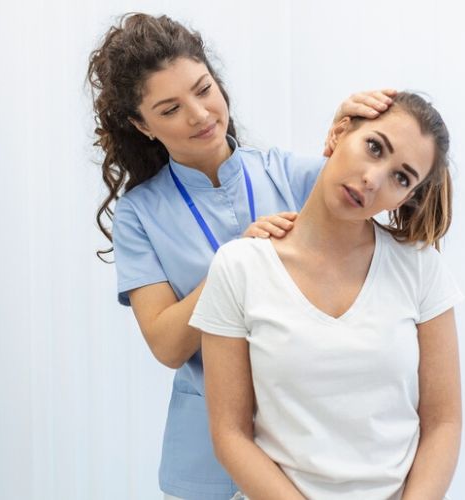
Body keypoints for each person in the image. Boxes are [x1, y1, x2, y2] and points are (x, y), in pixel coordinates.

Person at [87, 13, 395, 500]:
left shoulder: (288, 174)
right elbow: (168, 344)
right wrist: (239, 261)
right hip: (206, 466)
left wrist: (354, 136)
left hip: (306, 452)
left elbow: (396, 196)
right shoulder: (139, 216)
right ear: (140, 125)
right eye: (169, 109)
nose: (199, 114)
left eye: (203, 88)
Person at [192, 92, 463, 499]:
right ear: (339, 132)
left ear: (405, 198)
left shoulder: (420, 268)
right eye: (374, 147)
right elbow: (230, 434)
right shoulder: (240, 267)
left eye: (401, 177)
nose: (373, 179)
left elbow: (443, 422)